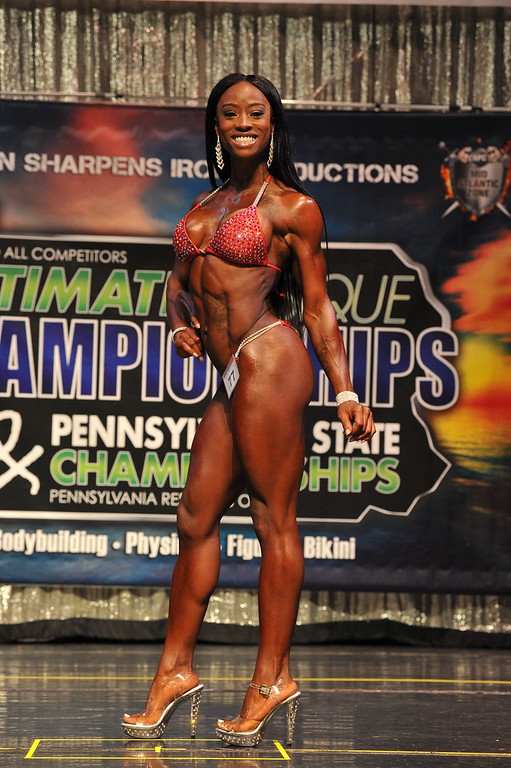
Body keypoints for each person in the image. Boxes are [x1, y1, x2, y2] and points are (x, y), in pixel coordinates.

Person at [122, 73, 375, 748]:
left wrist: (345, 390)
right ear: (215, 124)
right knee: (195, 516)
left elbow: (317, 306)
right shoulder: (205, 203)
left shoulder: (294, 207)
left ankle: (272, 678)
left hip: (270, 360)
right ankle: (175, 669)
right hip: (227, 374)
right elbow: (177, 285)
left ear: (272, 124)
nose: (242, 122)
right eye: (229, 112)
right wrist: (180, 325)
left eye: (255, 112)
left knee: (272, 518)